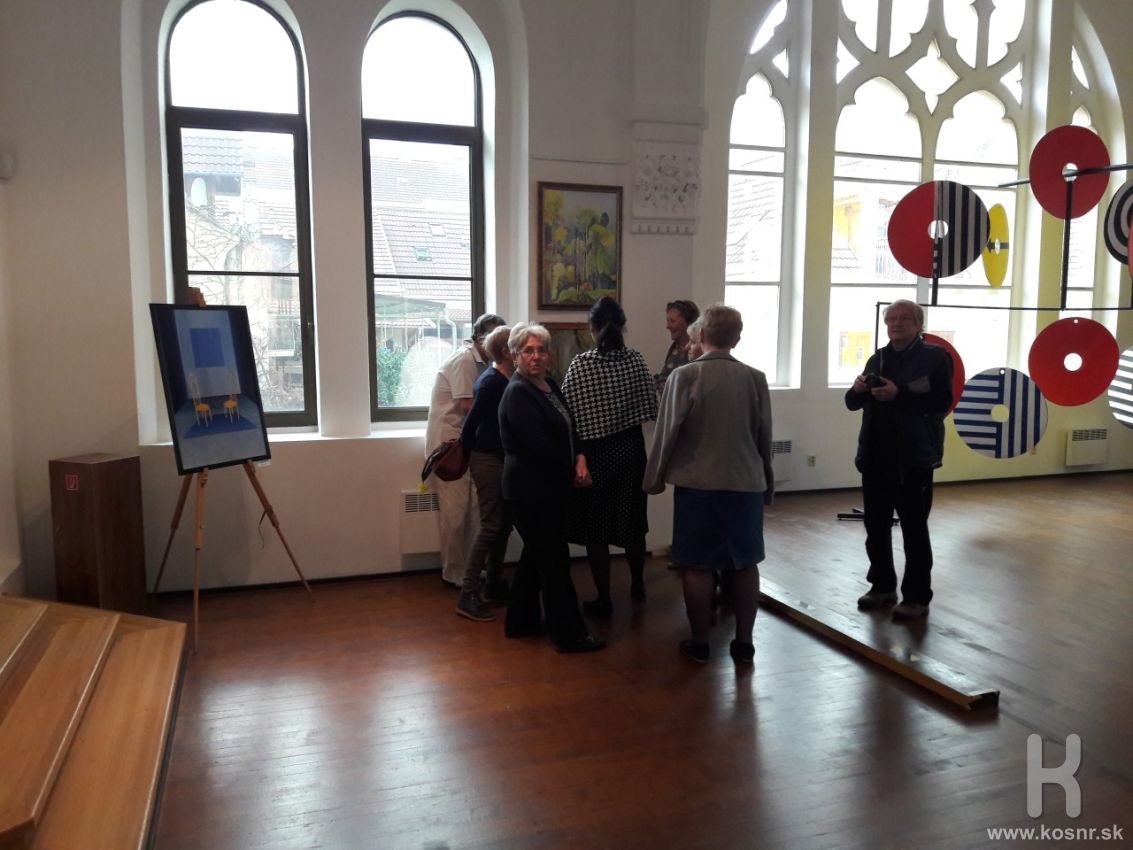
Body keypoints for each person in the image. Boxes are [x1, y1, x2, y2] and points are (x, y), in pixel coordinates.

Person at [644, 304, 773, 665]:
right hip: (745, 483)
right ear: (737, 338)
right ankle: (744, 644)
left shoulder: (685, 376)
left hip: (699, 484)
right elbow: (764, 436)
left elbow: (666, 432)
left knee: (697, 565)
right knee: (745, 564)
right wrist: (766, 482)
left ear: (699, 335)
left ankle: (700, 642)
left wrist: (653, 480)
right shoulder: (755, 377)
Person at [498, 323, 606, 653]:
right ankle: (570, 635)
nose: (536, 356)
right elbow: (537, 447)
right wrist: (573, 472)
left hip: (550, 488)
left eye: (541, 350)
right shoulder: (518, 392)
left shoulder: (550, 385)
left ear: (549, 354)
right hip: (530, 492)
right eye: (528, 351)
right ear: (515, 355)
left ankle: (521, 622)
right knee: (555, 563)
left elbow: (571, 428)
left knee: (536, 557)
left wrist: (581, 457)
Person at [845, 299, 952, 622]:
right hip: (875, 455)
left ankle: (917, 597)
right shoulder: (878, 357)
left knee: (914, 529)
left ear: (919, 324)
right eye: (892, 318)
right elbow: (851, 403)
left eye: (905, 318)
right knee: (875, 526)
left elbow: (941, 402)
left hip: (913, 457)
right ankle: (882, 587)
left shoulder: (935, 357)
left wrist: (898, 394)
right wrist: (858, 388)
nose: (897, 323)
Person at [561, 297, 658, 615]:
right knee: (633, 523)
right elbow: (650, 405)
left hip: (596, 453)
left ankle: (604, 598)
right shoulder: (635, 359)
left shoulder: (582, 364)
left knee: (596, 529)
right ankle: (638, 585)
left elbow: (568, 413)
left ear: (592, 328)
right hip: (631, 450)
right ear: (623, 326)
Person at [424, 312, 506, 586]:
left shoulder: (483, 362)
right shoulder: (464, 360)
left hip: (467, 443)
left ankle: (469, 568)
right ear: (480, 338)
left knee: (473, 512)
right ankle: (453, 572)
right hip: (450, 446)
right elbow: (467, 405)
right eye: (496, 339)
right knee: (455, 513)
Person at [454, 325, 514, 622]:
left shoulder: (501, 379)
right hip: (487, 458)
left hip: (497, 457)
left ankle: (493, 583)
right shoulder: (492, 383)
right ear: (507, 351)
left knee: (503, 525)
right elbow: (470, 425)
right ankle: (468, 593)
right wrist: (470, 457)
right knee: (491, 525)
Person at [654, 299, 700, 392]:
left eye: (672, 321)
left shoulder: (698, 351)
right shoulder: (675, 347)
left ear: (689, 323)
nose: (667, 326)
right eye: (667, 321)